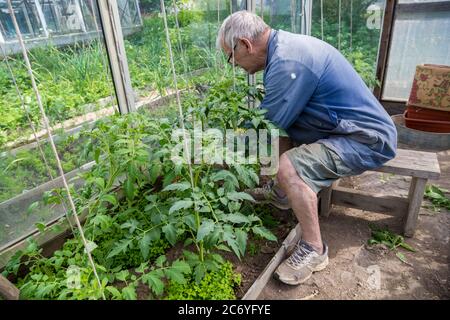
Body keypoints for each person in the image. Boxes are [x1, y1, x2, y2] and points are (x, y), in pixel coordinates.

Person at [216, 11, 397, 286]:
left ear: (245, 44)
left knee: (290, 166)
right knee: (278, 134)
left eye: (231, 57)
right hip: (338, 130)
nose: (234, 64)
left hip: (364, 139)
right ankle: (281, 193)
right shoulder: (282, 50)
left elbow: (264, 127)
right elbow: (273, 124)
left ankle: (314, 249)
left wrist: (219, 150)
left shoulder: (289, 62)